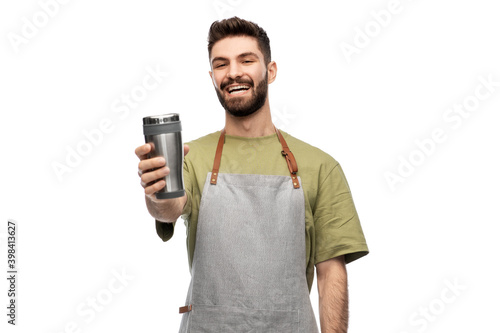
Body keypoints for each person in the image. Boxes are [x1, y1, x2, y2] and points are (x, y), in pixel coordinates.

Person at [135, 17, 368, 333]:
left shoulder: (320, 166)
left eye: (246, 60)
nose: (233, 72)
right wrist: (157, 189)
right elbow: (169, 208)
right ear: (212, 76)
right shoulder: (192, 157)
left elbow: (331, 272)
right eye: (221, 64)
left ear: (270, 71)